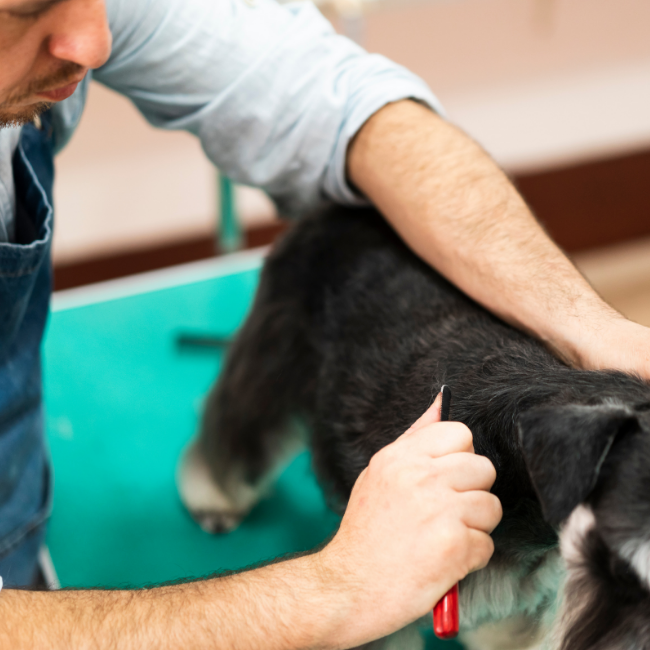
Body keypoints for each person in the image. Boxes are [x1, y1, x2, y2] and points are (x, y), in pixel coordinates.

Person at [0, 0, 647, 646]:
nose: (97, 39)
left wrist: (592, 328)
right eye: (23, 9)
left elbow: (331, 101)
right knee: (256, 410)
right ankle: (222, 473)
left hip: (20, 510)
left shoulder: (91, 18)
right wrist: (338, 589)